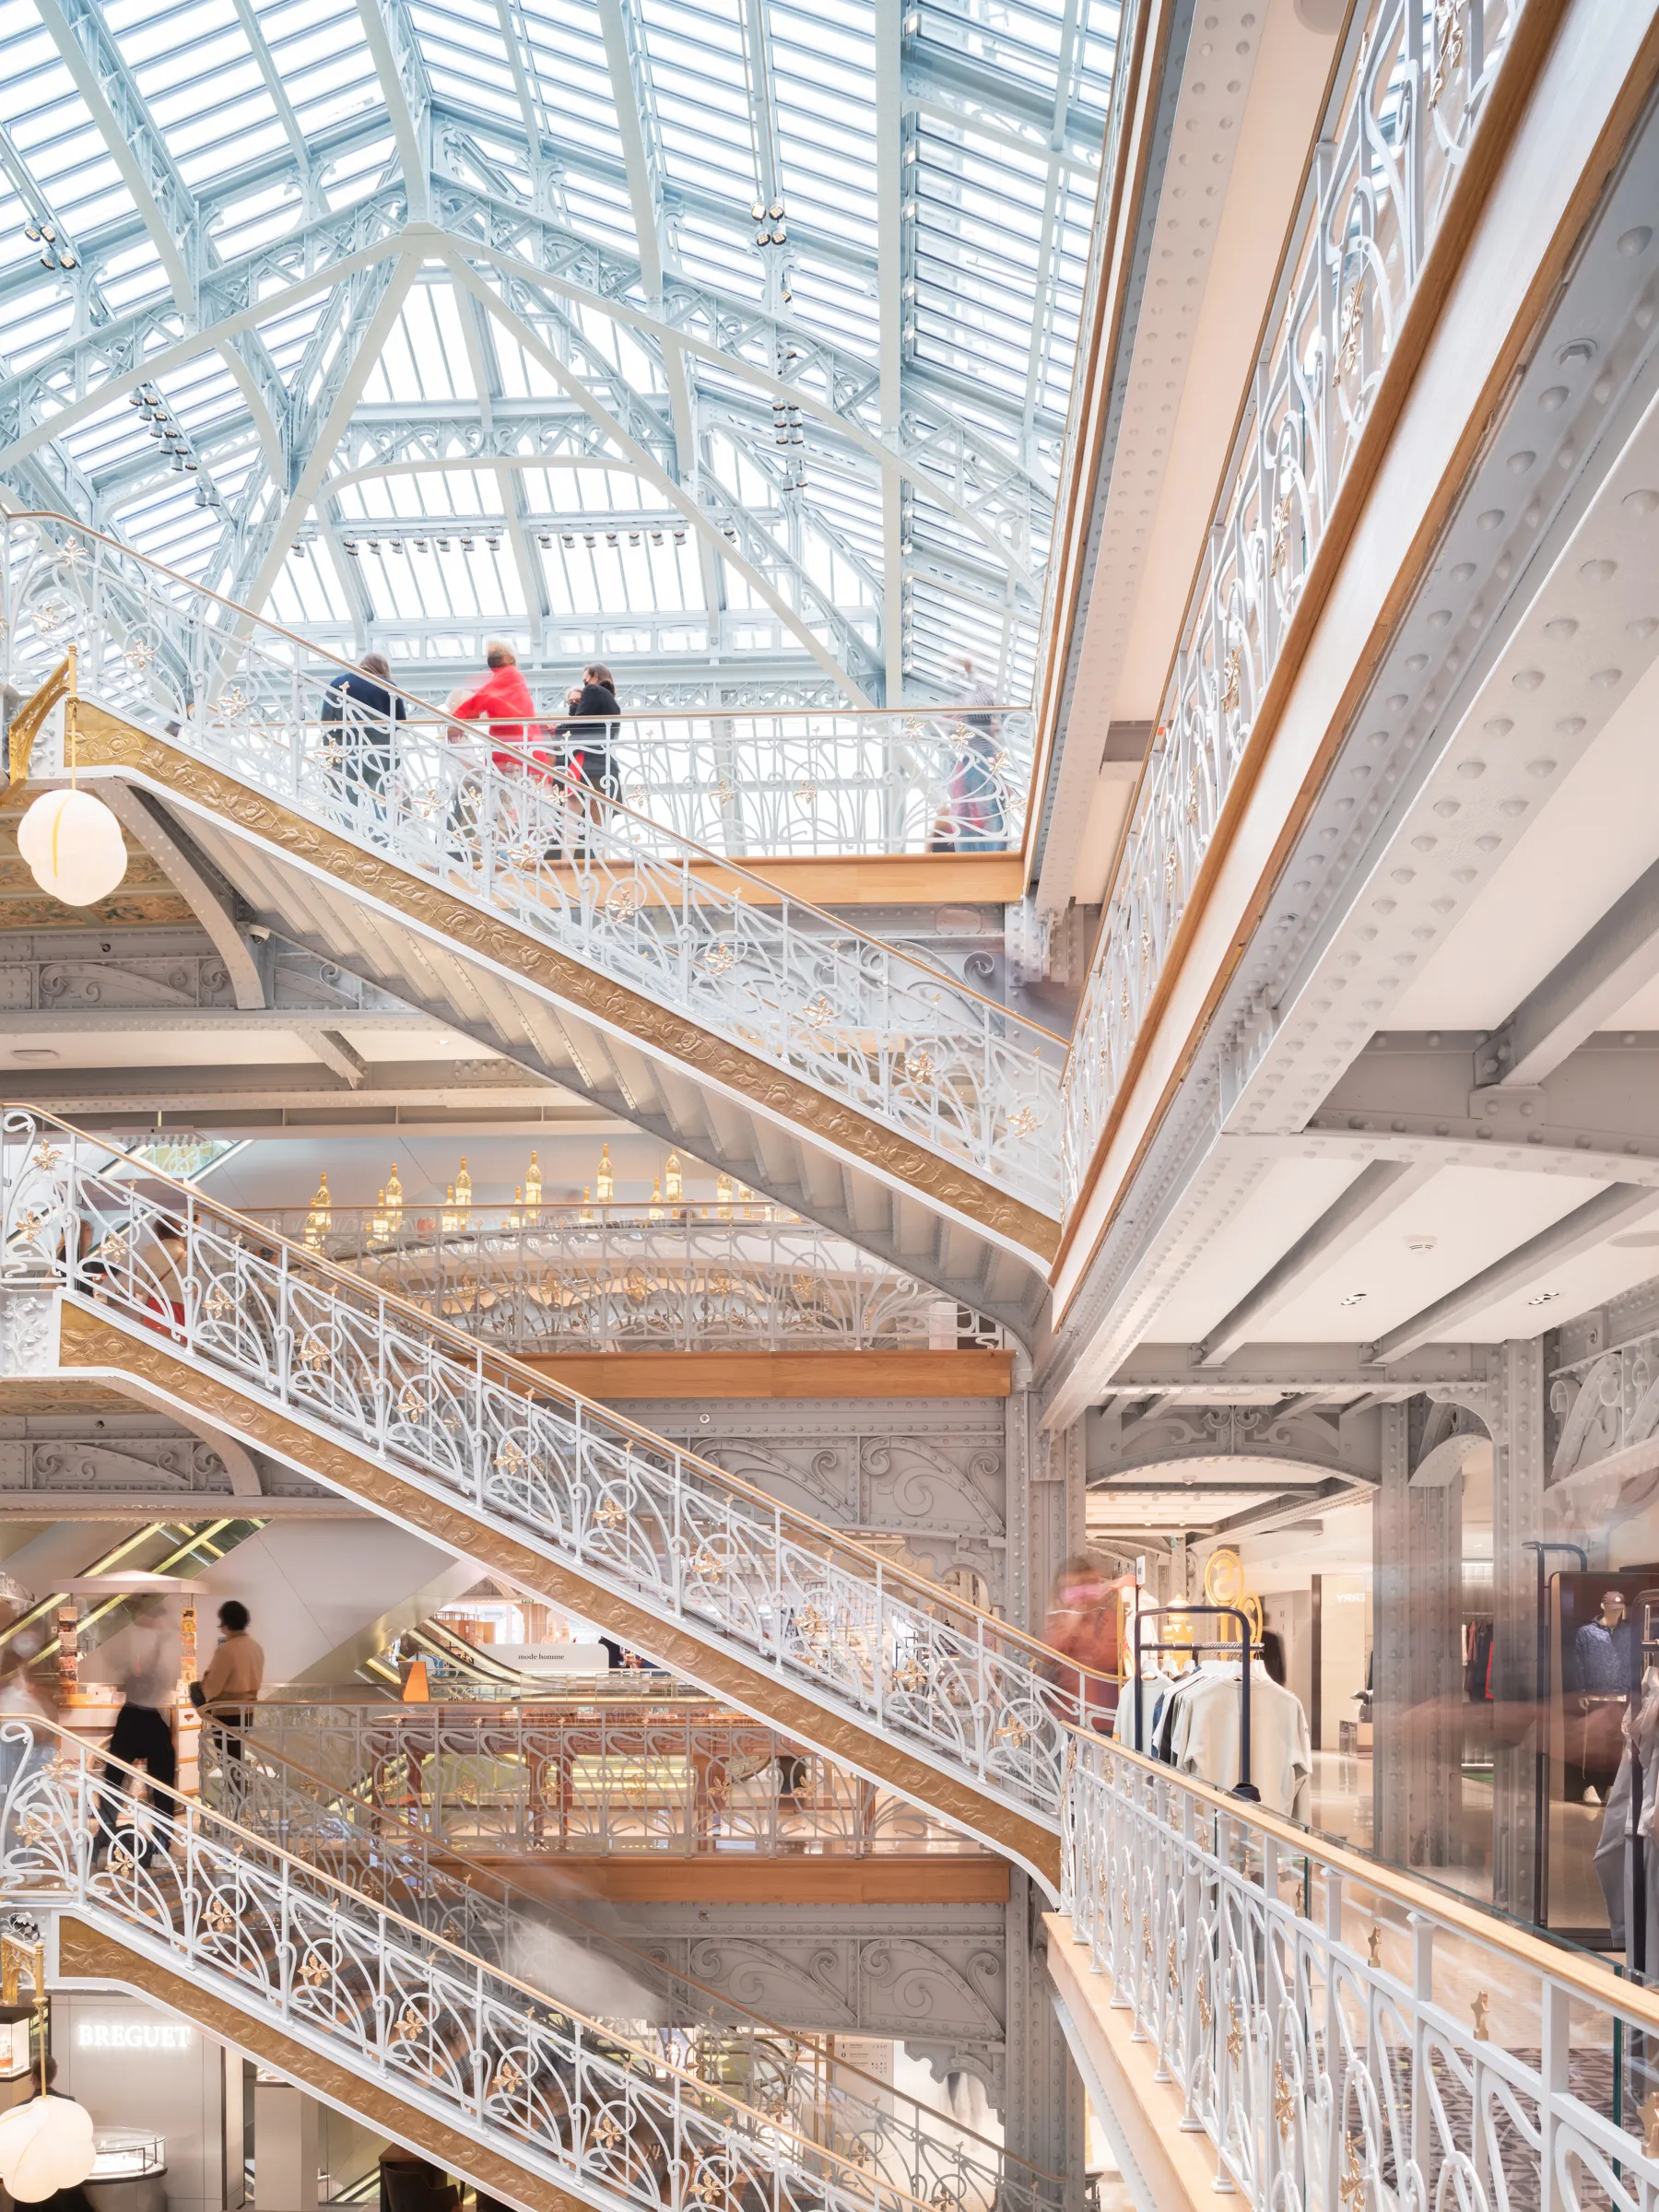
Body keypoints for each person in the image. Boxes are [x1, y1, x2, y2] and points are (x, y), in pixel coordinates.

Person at [97, 1593, 180, 1856]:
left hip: (144, 1714)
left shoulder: (162, 1639)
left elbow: (165, 1677)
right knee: (121, 1777)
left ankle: (159, 1837)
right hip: (139, 1713)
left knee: (137, 1778)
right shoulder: (142, 1637)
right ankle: (108, 1831)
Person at [320, 652, 406, 830]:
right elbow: (400, 724)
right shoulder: (389, 687)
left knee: (347, 799)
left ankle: (348, 836)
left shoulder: (339, 683)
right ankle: (379, 840)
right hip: (380, 752)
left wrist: (330, 751)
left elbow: (326, 720)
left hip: (346, 750)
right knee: (379, 799)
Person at [930, 656, 1006, 853]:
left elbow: (986, 706)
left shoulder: (978, 698)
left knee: (983, 807)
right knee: (965, 812)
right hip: (969, 762)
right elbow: (953, 728)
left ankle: (988, 852)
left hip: (981, 760)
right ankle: (970, 852)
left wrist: (973, 672)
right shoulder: (961, 700)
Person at [1041, 1554, 1121, 1728]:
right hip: (1067, 1714)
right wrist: (1072, 1627)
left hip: (1106, 1716)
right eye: (1074, 1587)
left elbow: (1111, 1659)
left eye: (1090, 1584)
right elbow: (1047, 1657)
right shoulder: (1057, 1620)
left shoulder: (1111, 1618)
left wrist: (1089, 1625)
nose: (1083, 1594)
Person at [555, 663, 622, 855]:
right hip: (605, 766)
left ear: (593, 676)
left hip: (585, 761)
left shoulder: (592, 690)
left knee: (571, 813)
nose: (585, 686)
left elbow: (578, 726)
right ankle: (602, 861)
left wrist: (558, 729)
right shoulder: (612, 702)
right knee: (599, 819)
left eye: (585, 681)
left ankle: (566, 861)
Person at [195, 1598, 265, 1774]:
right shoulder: (255, 1647)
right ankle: (240, 1797)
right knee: (237, 1760)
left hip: (227, 1713)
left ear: (226, 1624)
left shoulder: (227, 1650)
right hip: (248, 1711)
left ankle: (236, 1799)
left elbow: (212, 1688)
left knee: (229, 1764)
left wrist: (202, 1684)